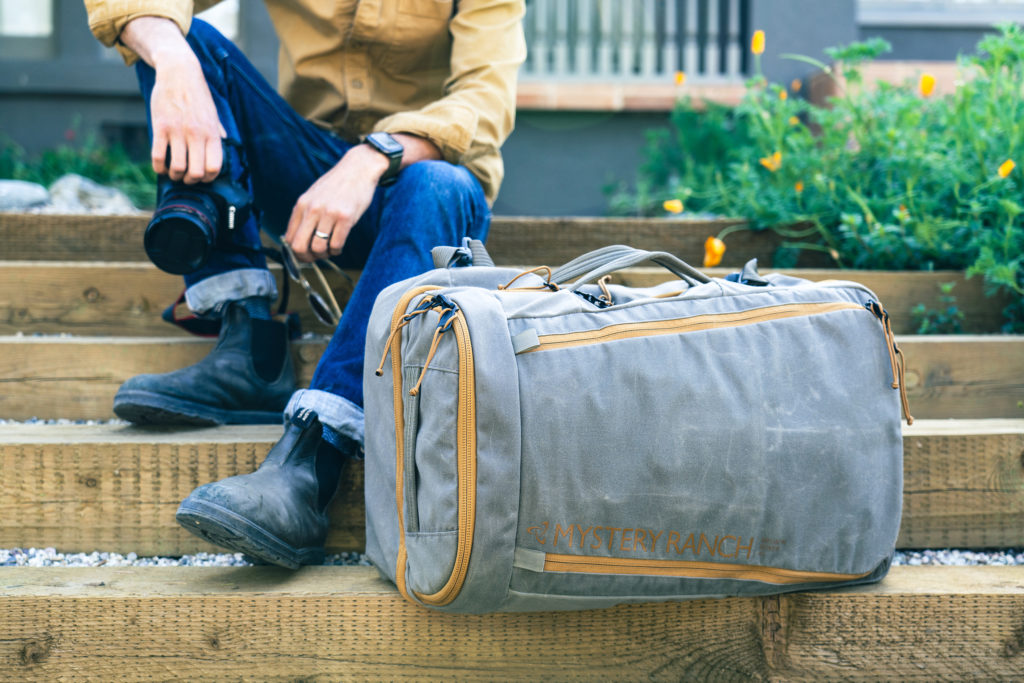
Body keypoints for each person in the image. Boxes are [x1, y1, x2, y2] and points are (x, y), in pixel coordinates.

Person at [84, 0, 526, 568]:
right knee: (178, 34)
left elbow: (484, 100)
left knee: (436, 184)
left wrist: (373, 157)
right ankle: (250, 349)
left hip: (426, 182)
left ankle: (311, 464)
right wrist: (174, 65)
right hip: (306, 176)